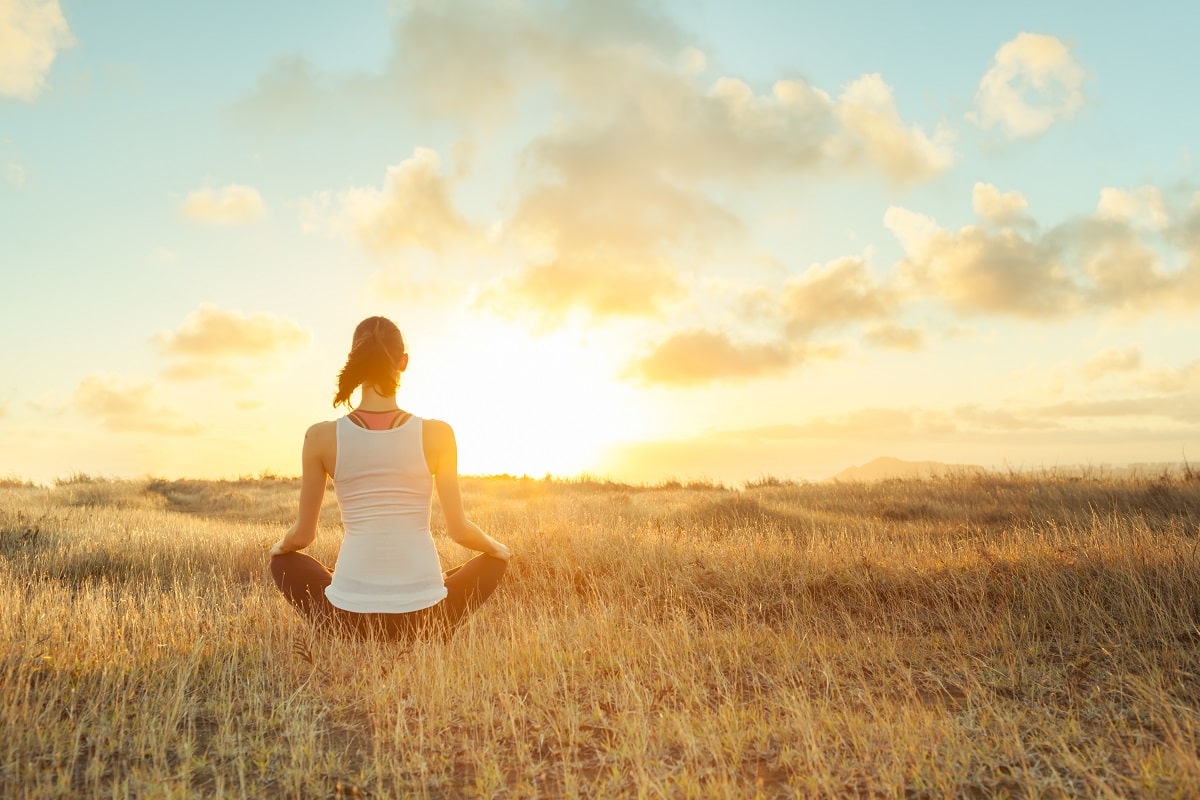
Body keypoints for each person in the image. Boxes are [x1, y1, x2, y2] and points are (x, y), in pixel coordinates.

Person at [268, 316, 511, 641]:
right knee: (491, 562)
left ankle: (341, 622)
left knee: (284, 562)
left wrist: (277, 548)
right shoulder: (438, 433)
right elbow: (459, 530)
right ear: (403, 362)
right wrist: (498, 549)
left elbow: (302, 537)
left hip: (348, 619)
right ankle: (431, 625)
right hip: (427, 619)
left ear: (353, 361)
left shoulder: (320, 437)